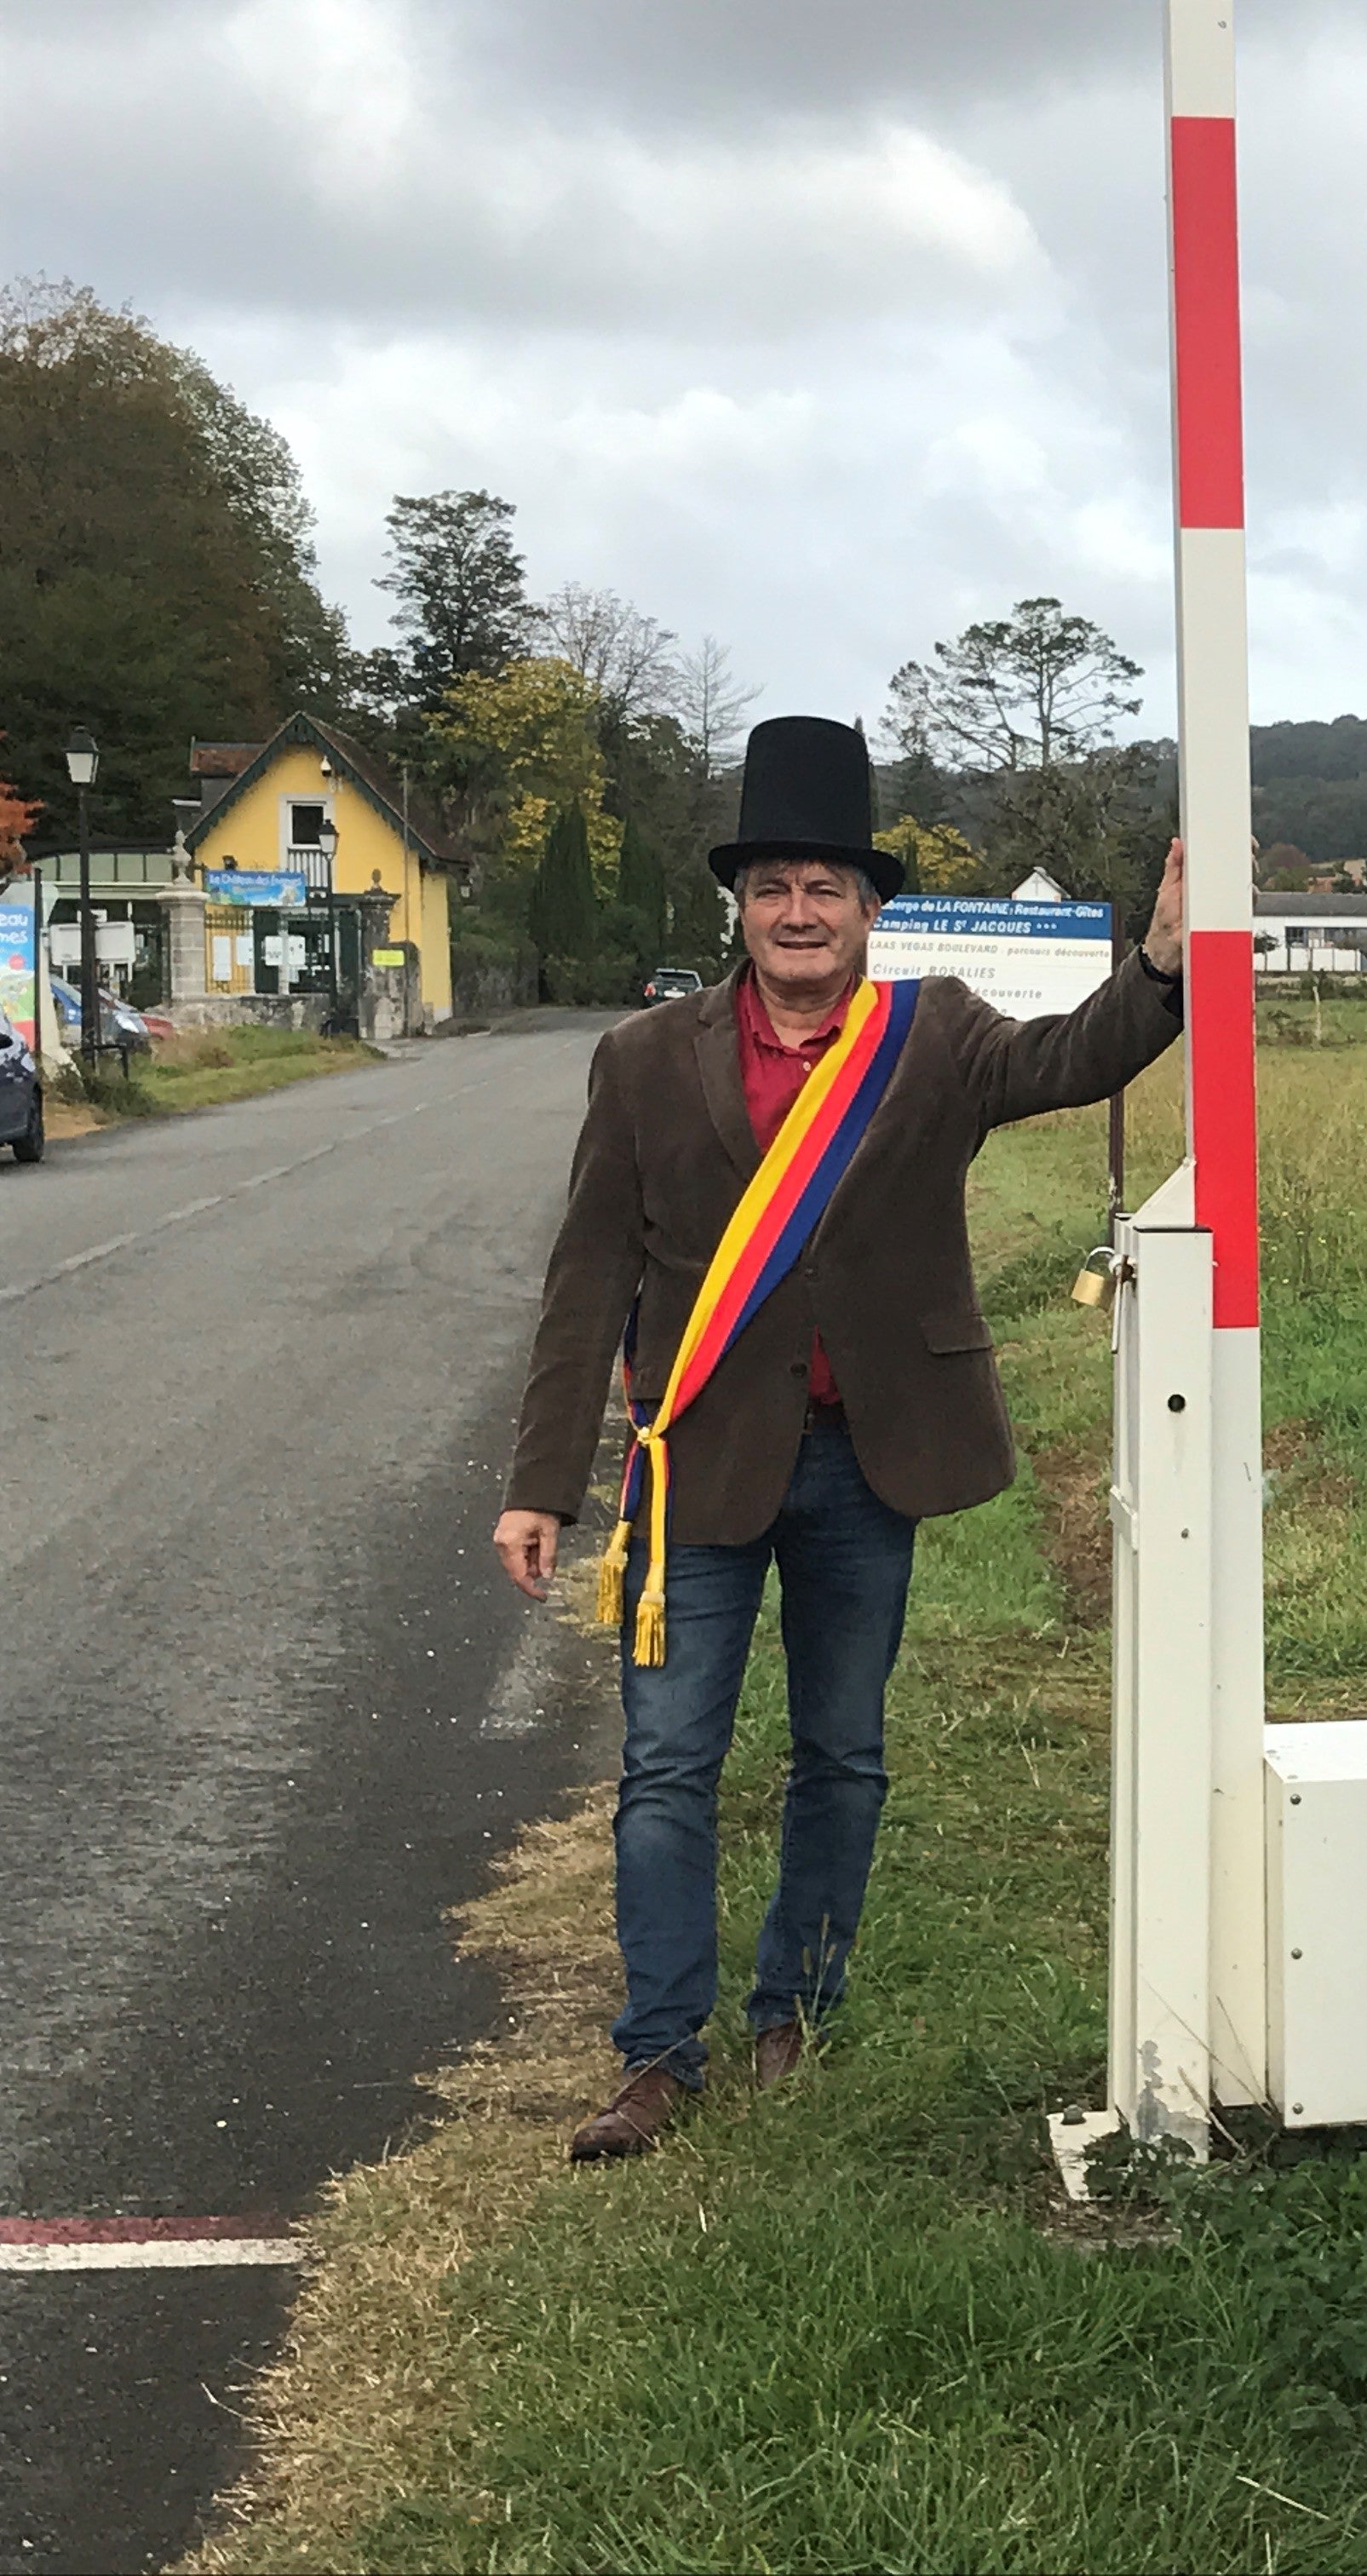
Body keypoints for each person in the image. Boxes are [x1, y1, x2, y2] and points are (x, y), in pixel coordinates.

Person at [494, 715, 1185, 2161]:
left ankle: (793, 2014)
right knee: (669, 1764)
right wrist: (541, 1483)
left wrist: (1167, 965)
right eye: (772, 888)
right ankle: (658, 2056)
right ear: (737, 909)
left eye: (824, 887)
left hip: (868, 1459)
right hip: (694, 1467)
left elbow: (1077, 1058)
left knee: (840, 1752)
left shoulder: (932, 1036)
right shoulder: (638, 1060)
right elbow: (587, 1279)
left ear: (869, 905)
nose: (798, 914)